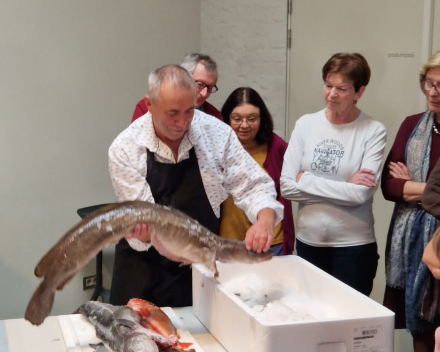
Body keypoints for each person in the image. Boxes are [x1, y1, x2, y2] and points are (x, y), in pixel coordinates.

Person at [108, 65, 283, 308]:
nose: (182, 122)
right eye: (172, 113)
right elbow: (144, 220)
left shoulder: (217, 134)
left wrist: (264, 219)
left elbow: (254, 184)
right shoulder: (125, 148)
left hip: (199, 269)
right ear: (149, 104)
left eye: (189, 110)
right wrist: (144, 232)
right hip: (141, 270)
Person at [280, 53, 386, 296]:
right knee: (311, 318)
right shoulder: (305, 124)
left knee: (348, 324)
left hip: (354, 247)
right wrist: (344, 186)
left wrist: (306, 181)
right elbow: (286, 187)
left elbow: (361, 194)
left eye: (342, 88)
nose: (332, 94)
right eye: (328, 85)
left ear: (359, 92)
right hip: (308, 242)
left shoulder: (373, 130)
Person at [381, 51, 440, 352]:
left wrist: (412, 186)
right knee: (421, 328)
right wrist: (431, 188)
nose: (433, 92)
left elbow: (405, 188)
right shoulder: (412, 125)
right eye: (429, 83)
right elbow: (390, 186)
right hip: (411, 237)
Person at [219, 87, 294, 255]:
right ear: (226, 119)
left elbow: (297, 173)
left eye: (252, 118)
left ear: (262, 119)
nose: (244, 125)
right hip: (228, 240)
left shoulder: (276, 146)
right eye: (237, 118)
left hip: (269, 242)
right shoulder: (216, 148)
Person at [131, 53, 223, 122]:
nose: (205, 93)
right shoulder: (147, 107)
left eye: (210, 88)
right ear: (182, 78)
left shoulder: (214, 116)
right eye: (200, 84)